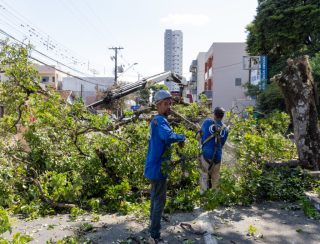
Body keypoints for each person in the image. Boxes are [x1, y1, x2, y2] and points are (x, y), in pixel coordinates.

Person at [144, 90, 186, 243]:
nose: (169, 107)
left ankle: (152, 228)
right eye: (166, 104)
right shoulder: (160, 121)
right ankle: (154, 235)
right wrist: (182, 137)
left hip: (154, 166)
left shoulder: (157, 120)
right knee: (159, 202)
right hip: (158, 168)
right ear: (159, 105)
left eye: (170, 103)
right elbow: (167, 136)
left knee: (155, 199)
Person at [199, 106, 228, 193]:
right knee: (215, 178)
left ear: (214, 114)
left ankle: (203, 198)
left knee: (204, 176)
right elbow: (221, 144)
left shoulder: (207, 122)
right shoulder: (225, 129)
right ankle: (215, 199)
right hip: (217, 157)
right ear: (222, 116)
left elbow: (199, 136)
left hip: (206, 155)